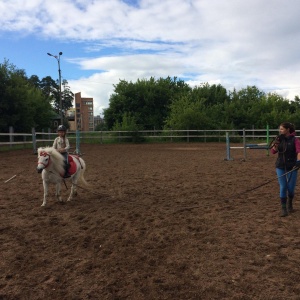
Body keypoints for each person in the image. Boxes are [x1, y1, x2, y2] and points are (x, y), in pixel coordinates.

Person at [271, 122, 300, 217]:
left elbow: (299, 151)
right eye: (280, 129)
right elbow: (273, 151)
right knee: (283, 186)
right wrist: (276, 143)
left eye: (282, 129)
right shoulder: (279, 139)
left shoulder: (295, 140)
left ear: (287, 129)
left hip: (292, 166)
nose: (280, 131)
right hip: (280, 166)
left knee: (291, 189)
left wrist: (298, 161)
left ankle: (290, 202)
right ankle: (283, 208)